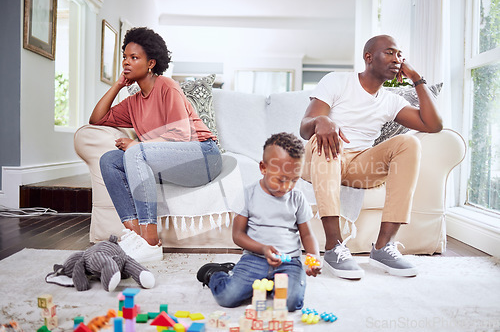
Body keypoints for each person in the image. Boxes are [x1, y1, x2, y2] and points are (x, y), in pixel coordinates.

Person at [300, 35, 443, 279]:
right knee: (322, 138)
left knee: (409, 143)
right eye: (389, 52)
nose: (397, 59)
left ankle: (384, 246)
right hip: (324, 157)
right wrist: (323, 121)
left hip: (361, 163)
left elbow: (433, 125)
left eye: (400, 55)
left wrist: (416, 78)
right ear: (368, 57)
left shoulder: (390, 101)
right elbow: (304, 128)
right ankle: (334, 246)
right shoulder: (337, 81)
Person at [89, 27, 222, 263]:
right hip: (171, 163)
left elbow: (181, 135)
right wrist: (118, 85)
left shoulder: (167, 86)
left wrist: (137, 144)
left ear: (151, 63)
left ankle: (150, 242)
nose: (126, 63)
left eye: (134, 58)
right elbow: (97, 119)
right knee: (108, 160)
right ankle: (135, 235)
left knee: (135, 151)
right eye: (125, 57)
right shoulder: (133, 103)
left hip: (203, 157)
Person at [196, 132, 321, 312]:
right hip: (255, 259)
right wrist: (262, 249)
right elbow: (238, 236)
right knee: (227, 297)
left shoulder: (297, 198)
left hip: (289, 262)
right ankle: (217, 274)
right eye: (281, 179)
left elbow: (307, 234)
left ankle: (270, 286)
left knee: (292, 302)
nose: (287, 187)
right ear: (263, 168)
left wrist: (314, 257)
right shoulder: (248, 195)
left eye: (294, 180)